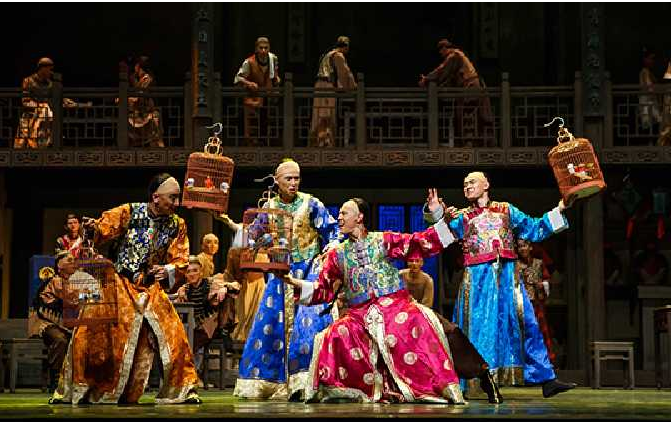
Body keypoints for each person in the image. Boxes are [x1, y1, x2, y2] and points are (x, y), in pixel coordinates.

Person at [284, 197, 464, 404]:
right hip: (358, 313)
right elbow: (322, 289)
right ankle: (348, 389)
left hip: (395, 305)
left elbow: (417, 243)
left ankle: (430, 385)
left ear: (359, 217)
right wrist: (293, 282)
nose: (339, 217)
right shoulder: (337, 254)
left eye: (344, 213)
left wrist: (441, 222)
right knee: (334, 334)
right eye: (339, 213)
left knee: (408, 324)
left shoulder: (383, 240)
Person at [51, 173, 200, 404]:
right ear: (156, 197)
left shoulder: (177, 224)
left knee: (174, 334)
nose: (177, 203)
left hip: (150, 287)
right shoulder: (129, 212)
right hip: (120, 283)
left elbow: (181, 257)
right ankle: (88, 389)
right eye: (172, 197)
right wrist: (92, 228)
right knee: (97, 335)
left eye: (178, 197)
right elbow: (102, 228)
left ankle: (182, 389)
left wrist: (169, 268)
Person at [424, 172, 576, 398]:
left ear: (486, 184)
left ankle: (546, 378)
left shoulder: (506, 210)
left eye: (472, 182)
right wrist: (437, 213)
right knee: (480, 330)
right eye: (464, 184)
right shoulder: (462, 217)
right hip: (478, 280)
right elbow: (440, 237)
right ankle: (481, 381)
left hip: (507, 277)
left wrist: (561, 207)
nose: (467, 186)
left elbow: (533, 228)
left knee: (527, 323)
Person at [215, 159, 339, 400]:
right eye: (288, 179)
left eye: (296, 178)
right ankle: (271, 382)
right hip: (280, 272)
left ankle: (307, 381)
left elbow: (332, 232)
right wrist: (229, 222)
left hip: (308, 271)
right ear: (277, 181)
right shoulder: (269, 207)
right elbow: (252, 236)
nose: (293, 183)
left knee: (309, 327)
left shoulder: (311, 203)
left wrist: (329, 249)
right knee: (271, 326)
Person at [419, 39, 493, 147]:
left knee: (466, 113)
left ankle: (469, 142)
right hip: (471, 87)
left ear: (445, 48)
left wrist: (427, 79)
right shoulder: (456, 57)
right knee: (466, 114)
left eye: (441, 50)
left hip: (470, 86)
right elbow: (448, 78)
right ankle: (469, 142)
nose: (440, 53)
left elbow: (442, 70)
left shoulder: (454, 56)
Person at [175, 255, 239, 379]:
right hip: (194, 325)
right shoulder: (185, 289)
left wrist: (224, 288)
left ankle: (192, 375)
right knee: (182, 338)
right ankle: (183, 375)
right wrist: (180, 292)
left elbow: (236, 286)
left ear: (200, 272)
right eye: (189, 271)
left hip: (210, 325)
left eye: (195, 270)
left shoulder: (210, 283)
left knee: (195, 340)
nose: (192, 274)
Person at [28, 252, 76, 391]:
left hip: (67, 324)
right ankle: (56, 380)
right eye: (69, 260)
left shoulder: (75, 282)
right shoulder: (54, 281)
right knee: (60, 340)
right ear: (60, 266)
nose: (74, 263)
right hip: (47, 322)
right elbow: (67, 300)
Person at [14, 57, 77, 148]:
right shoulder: (28, 81)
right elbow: (25, 101)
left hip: (47, 117)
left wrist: (63, 100)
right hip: (31, 115)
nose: (51, 72)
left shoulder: (50, 84)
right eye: (49, 69)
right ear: (42, 68)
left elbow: (54, 97)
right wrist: (41, 106)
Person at [309, 36, 357, 147]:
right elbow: (344, 73)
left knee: (320, 113)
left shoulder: (328, 54)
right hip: (327, 86)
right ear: (346, 46)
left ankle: (319, 141)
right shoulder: (338, 55)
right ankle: (325, 142)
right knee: (326, 114)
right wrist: (352, 86)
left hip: (320, 85)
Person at [515, 238, 556, 365]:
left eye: (524, 246)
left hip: (536, 305)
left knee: (540, 331)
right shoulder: (515, 265)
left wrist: (542, 285)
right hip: (521, 305)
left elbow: (547, 280)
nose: (522, 249)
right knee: (522, 333)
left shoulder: (539, 263)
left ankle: (543, 362)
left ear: (530, 247)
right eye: (519, 246)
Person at [234, 37, 280, 146]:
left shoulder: (273, 59)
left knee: (267, 122)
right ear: (256, 49)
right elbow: (237, 78)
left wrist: (276, 79)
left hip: (267, 95)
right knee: (251, 125)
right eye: (261, 48)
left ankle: (265, 143)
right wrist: (248, 83)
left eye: (266, 48)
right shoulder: (249, 62)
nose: (263, 50)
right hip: (253, 96)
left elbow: (274, 74)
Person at [221, 247, 266, 342]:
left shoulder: (262, 251)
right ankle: (240, 338)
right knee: (242, 314)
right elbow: (229, 271)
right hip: (241, 284)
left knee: (256, 314)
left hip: (258, 282)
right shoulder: (234, 251)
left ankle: (252, 339)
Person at [128, 56, 164, 147]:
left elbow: (139, 94)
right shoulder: (135, 77)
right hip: (137, 109)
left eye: (137, 65)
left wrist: (128, 98)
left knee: (154, 119)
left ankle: (158, 145)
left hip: (146, 107)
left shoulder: (147, 78)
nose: (135, 67)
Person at [639, 49, 661, 132]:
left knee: (655, 123)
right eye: (651, 58)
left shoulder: (649, 72)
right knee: (650, 124)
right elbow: (649, 87)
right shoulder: (644, 72)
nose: (652, 61)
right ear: (645, 59)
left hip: (651, 101)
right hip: (647, 101)